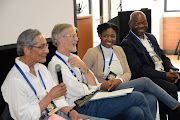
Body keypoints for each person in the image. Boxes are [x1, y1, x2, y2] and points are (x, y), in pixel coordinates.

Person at [48, 23, 157, 120]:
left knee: (135, 113)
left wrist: (83, 67)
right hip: (81, 106)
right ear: (60, 39)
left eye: (76, 36)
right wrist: (90, 87)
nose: (77, 39)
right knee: (138, 97)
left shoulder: (75, 58)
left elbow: (94, 85)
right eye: (72, 36)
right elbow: (80, 91)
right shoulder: (55, 65)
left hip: (94, 99)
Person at [82, 22, 180, 119]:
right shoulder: (92, 53)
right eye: (106, 36)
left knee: (151, 98)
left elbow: (128, 72)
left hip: (122, 85)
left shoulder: (119, 50)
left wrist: (118, 80)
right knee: (145, 81)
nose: (109, 39)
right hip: (105, 89)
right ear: (100, 36)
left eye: (112, 36)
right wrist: (100, 85)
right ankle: (175, 105)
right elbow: (82, 76)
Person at [1, 29, 102, 120]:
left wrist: (70, 112)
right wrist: (50, 96)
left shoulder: (41, 68)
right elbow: (24, 117)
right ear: (27, 50)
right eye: (42, 47)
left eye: (46, 45)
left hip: (57, 115)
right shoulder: (14, 80)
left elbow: (58, 99)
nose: (47, 51)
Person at [120, 11, 180, 120]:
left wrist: (172, 69)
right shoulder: (127, 43)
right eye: (137, 23)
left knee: (178, 78)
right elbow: (139, 70)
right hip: (149, 78)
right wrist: (165, 76)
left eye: (144, 22)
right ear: (130, 24)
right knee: (171, 88)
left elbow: (162, 56)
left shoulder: (150, 37)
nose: (141, 26)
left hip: (163, 73)